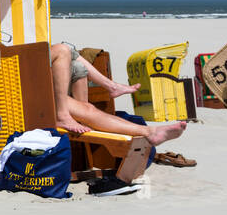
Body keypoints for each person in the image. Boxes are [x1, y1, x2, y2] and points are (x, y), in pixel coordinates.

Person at [50, 41, 185, 146]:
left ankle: (150, 132)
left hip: (39, 89)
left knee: (87, 107)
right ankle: (148, 131)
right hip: (33, 95)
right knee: (63, 49)